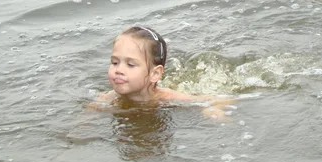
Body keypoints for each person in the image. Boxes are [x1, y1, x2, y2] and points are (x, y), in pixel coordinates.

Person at [94, 25, 232, 119]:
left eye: (130, 64)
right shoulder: (109, 98)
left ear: (155, 74)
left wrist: (212, 109)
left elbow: (217, 99)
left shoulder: (167, 98)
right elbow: (87, 115)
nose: (119, 70)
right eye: (115, 62)